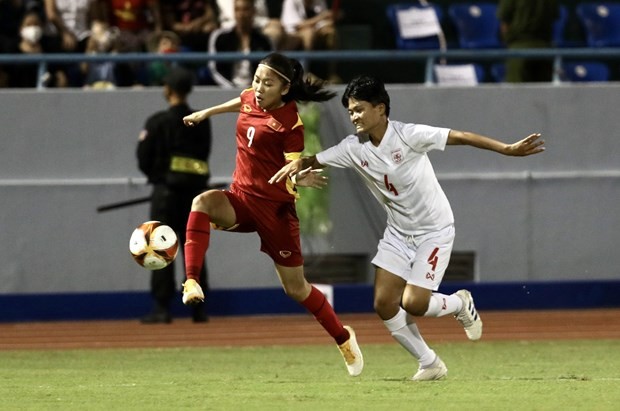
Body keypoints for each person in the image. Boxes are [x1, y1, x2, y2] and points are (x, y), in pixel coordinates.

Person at [270, 74, 545, 380]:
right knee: (384, 303)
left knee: (414, 303)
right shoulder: (353, 148)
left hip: (434, 230)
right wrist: (297, 169)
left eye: (360, 109)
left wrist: (506, 149)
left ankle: (459, 302)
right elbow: (313, 160)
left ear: (381, 109)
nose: (354, 116)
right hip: (398, 232)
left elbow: (461, 136)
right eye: (350, 111)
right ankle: (430, 363)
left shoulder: (410, 135)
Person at [180, 52, 364, 376]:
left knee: (296, 289)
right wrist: (205, 113)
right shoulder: (251, 97)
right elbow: (240, 102)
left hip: (276, 211)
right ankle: (191, 281)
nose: (259, 87)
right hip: (240, 197)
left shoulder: (291, 123)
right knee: (202, 203)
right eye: (257, 79)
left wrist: (298, 174)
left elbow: (293, 161)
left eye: (268, 83)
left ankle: (342, 337)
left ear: (284, 87)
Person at [137, 67, 211, 324]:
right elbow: (203, 158)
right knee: (193, 248)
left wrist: (158, 177)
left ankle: (161, 308)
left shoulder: (157, 122)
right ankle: (199, 308)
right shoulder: (201, 121)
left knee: (159, 251)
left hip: (166, 195)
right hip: (194, 196)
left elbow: (143, 158)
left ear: (168, 90)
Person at [208, 0, 272, 88]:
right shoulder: (220, 38)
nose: (241, 14)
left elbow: (270, 68)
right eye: (237, 10)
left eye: (245, 9)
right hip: (226, 90)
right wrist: (230, 88)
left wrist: (254, 89)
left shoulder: (264, 40)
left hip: (256, 92)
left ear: (253, 11)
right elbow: (214, 69)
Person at [497, 0, 560, 83]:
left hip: (518, 50)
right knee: (543, 93)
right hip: (544, 49)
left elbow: (505, 20)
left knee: (517, 93)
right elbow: (554, 15)